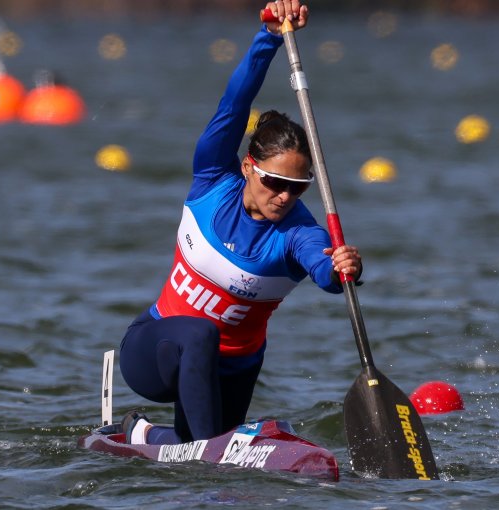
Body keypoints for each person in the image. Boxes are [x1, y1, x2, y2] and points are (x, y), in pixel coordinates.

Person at [118, 0, 362, 445]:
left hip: (232, 374)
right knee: (200, 332)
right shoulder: (213, 178)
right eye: (276, 181)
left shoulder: (298, 232)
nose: (286, 196)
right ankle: (203, 448)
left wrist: (344, 267)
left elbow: (325, 271)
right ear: (249, 166)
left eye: (300, 186)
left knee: (199, 449)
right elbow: (235, 103)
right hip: (154, 353)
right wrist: (268, 37)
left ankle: (143, 435)